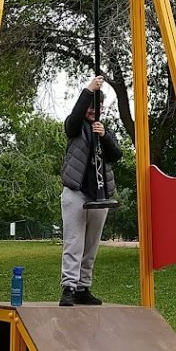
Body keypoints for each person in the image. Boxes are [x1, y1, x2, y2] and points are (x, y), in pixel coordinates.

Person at [59, 75, 122, 306]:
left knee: (91, 244)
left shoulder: (103, 130)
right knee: (74, 242)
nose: (93, 111)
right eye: (90, 107)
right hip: (76, 192)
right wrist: (88, 90)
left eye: (98, 107)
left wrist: (104, 136)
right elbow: (73, 120)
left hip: (99, 196)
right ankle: (68, 287)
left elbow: (116, 154)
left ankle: (83, 287)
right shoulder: (76, 127)